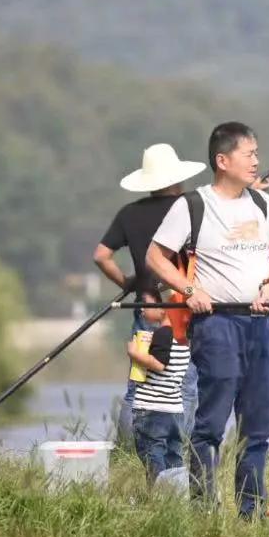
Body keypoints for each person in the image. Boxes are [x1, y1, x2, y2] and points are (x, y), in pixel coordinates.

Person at [146, 121, 269, 518]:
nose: (256, 162)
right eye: (249, 154)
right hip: (216, 326)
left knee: (258, 426)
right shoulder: (192, 206)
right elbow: (155, 257)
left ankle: (252, 514)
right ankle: (204, 512)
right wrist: (191, 291)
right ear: (222, 160)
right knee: (211, 423)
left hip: (262, 325)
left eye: (256, 154)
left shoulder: (264, 205)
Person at [94, 143, 206, 445]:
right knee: (183, 383)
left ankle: (131, 448)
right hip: (180, 311)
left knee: (139, 382)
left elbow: (101, 256)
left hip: (146, 308)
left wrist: (128, 283)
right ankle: (180, 450)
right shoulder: (191, 209)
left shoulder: (129, 213)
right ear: (176, 178)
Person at [125, 291, 191, 484]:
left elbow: (159, 364)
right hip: (175, 411)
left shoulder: (163, 333)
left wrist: (134, 353)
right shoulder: (183, 337)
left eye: (146, 305)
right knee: (174, 461)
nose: (142, 310)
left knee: (153, 459)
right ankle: (177, 498)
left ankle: (159, 500)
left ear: (164, 308)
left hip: (152, 410)